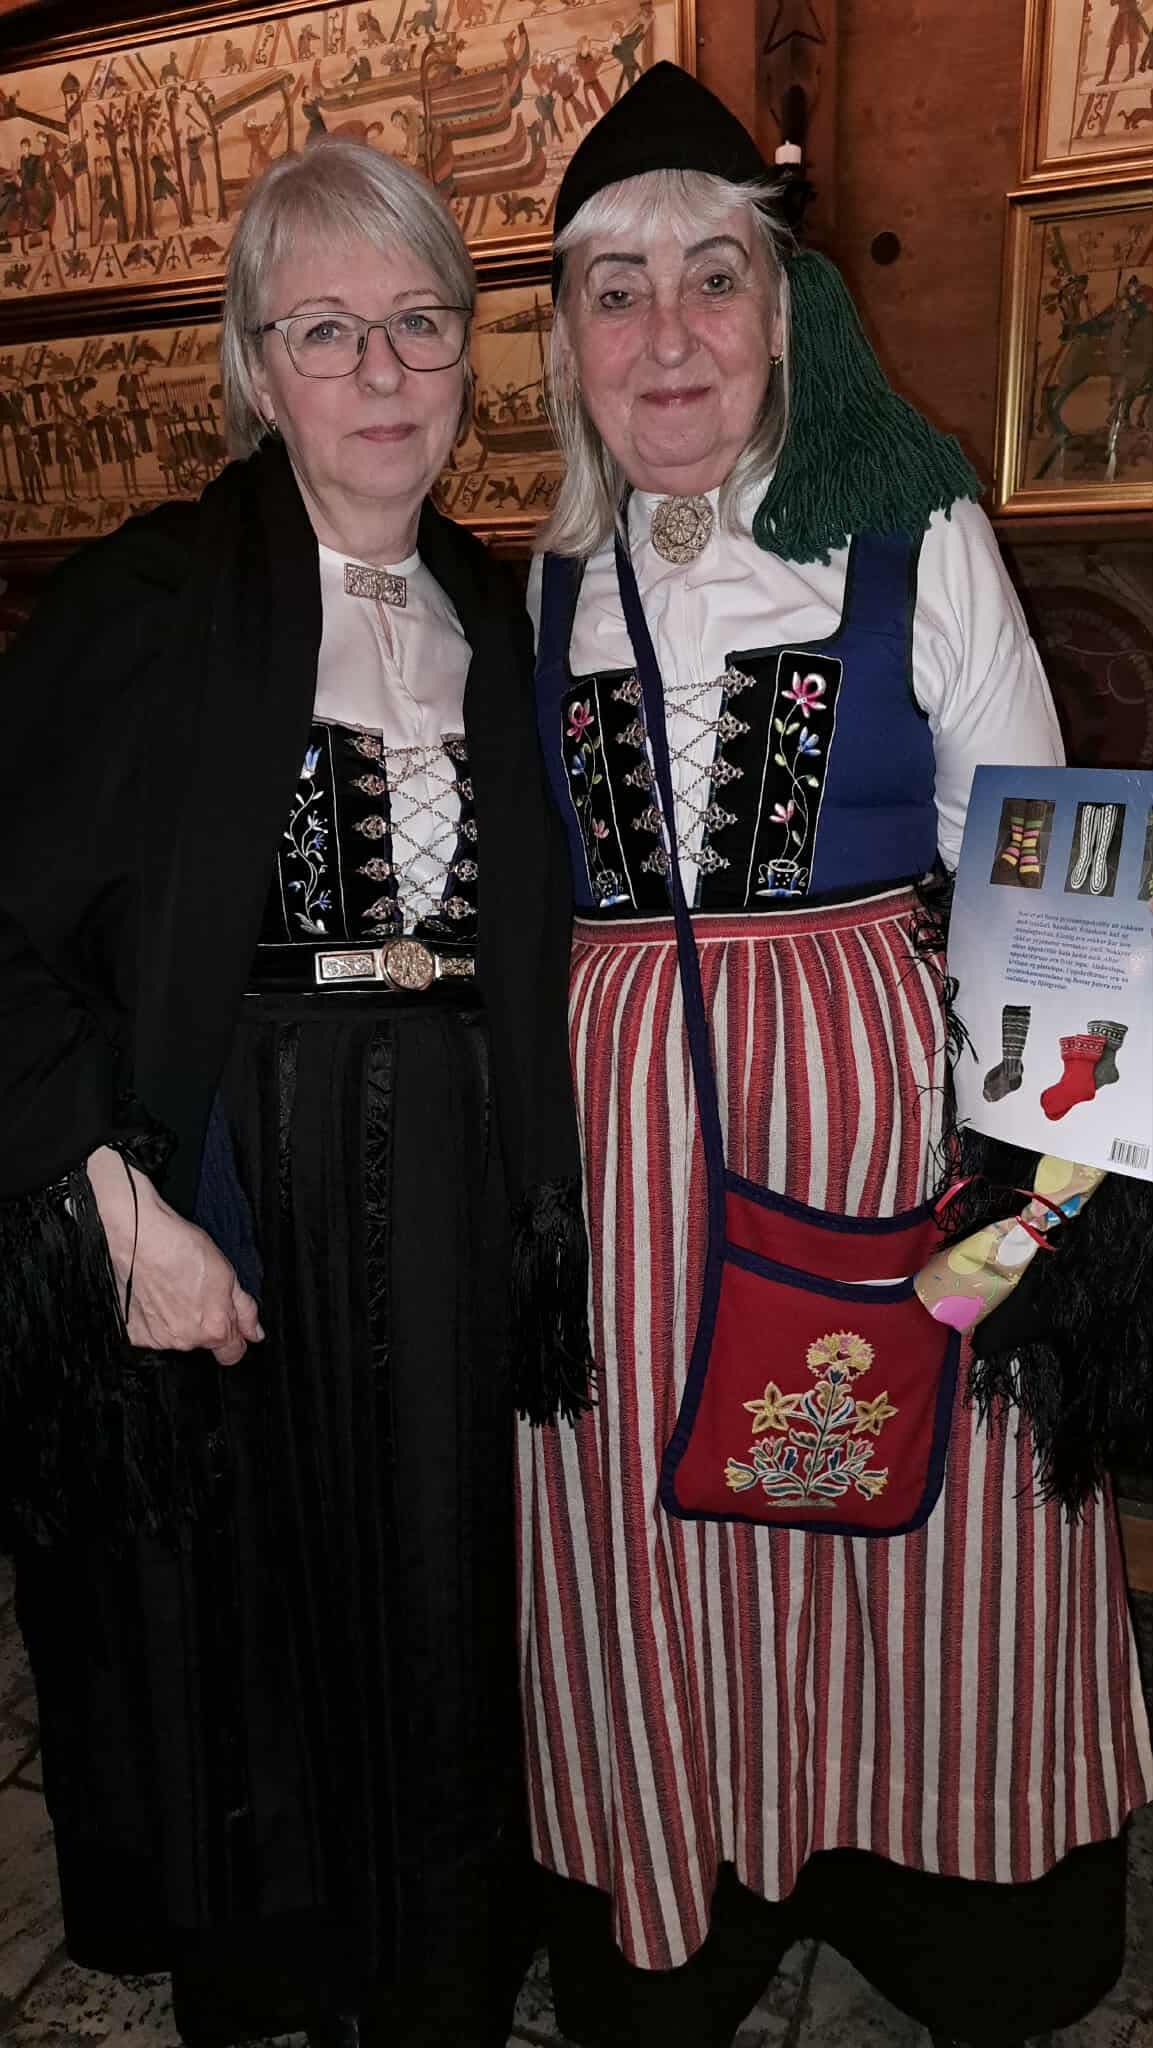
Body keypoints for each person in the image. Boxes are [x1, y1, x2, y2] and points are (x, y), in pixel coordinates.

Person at [517, 64, 1153, 2048]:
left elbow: (1050, 852)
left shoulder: (913, 532)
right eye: (616, 291)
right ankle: (691, 1867)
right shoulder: (536, 581)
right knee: (654, 1515)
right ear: (567, 344)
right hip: (623, 1174)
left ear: (782, 315)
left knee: (931, 1491)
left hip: (889, 1150)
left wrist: (1040, 1208)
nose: (668, 332)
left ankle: (932, 1877)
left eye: (711, 279)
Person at [0, 138, 588, 2048]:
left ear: (472, 353)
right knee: (248, 1609)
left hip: (451, 1187)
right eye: (328, 331)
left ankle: (430, 1971)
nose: (383, 371)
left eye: (421, 323)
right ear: (256, 365)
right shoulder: (152, 601)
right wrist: (119, 1211)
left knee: (434, 1582)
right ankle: (282, 1973)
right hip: (230, 1182)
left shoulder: (503, 613)